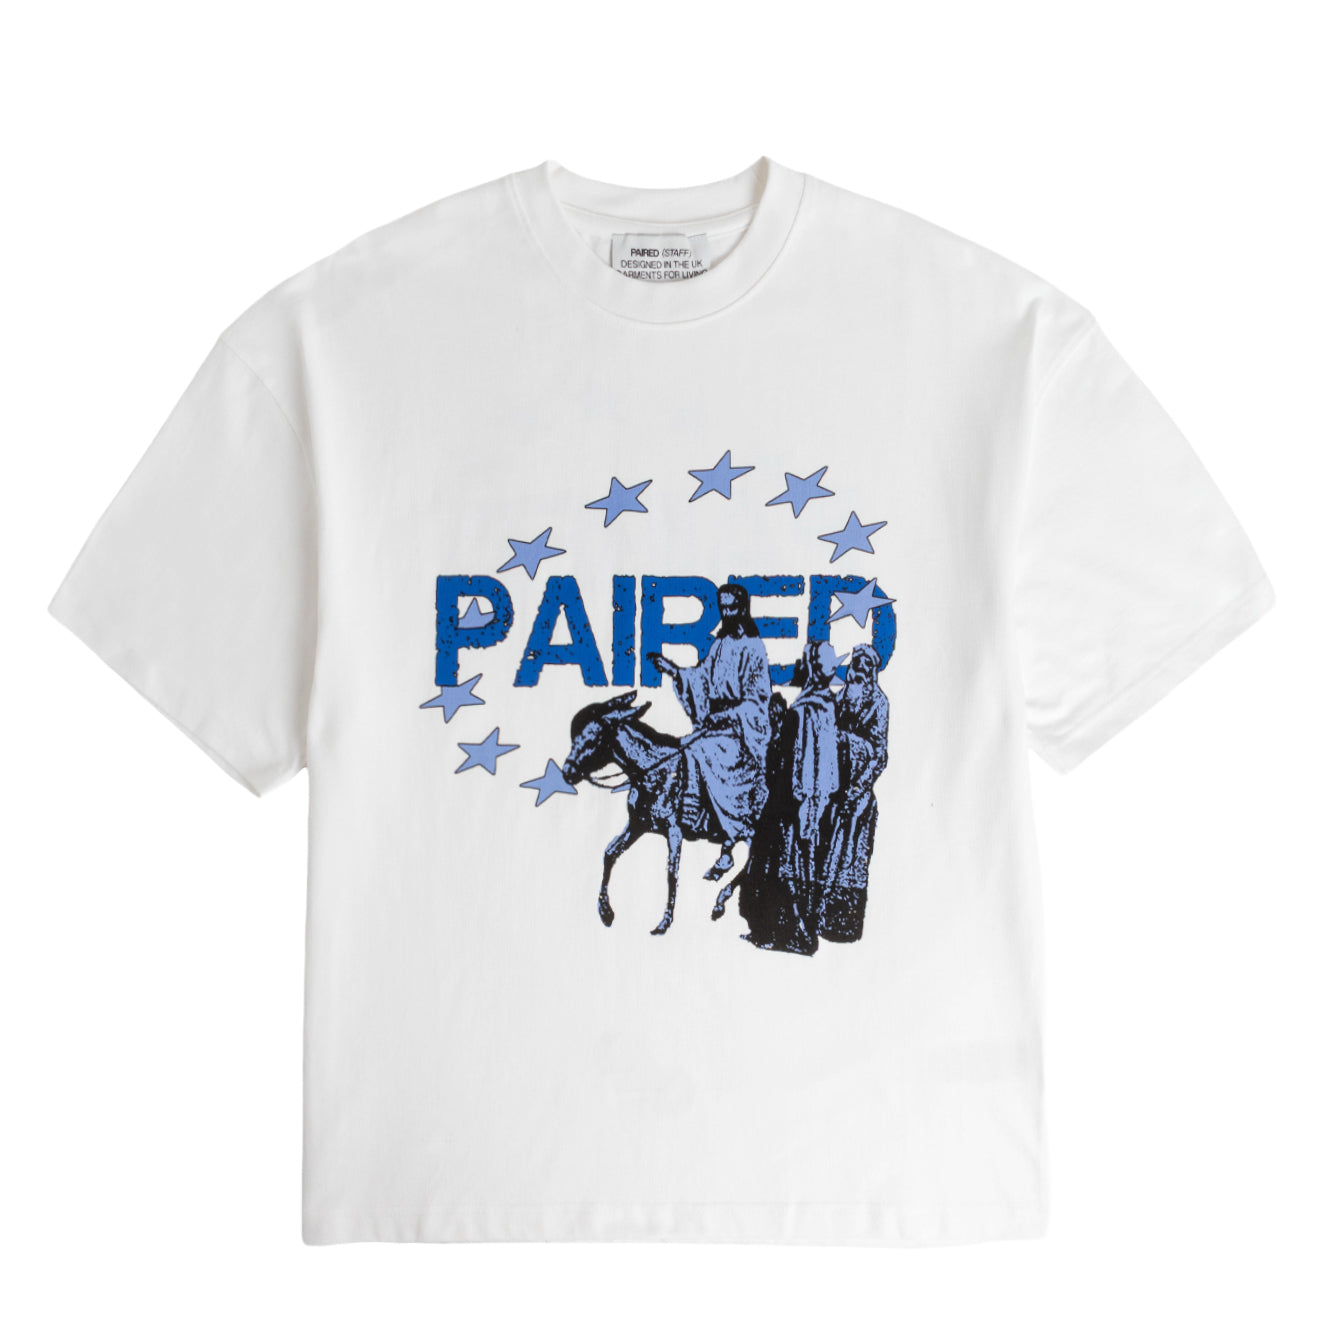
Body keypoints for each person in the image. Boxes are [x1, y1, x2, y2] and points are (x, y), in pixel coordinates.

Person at [651, 582, 771, 879]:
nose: (727, 613)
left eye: (732, 608)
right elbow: (701, 678)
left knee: (698, 749)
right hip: (714, 725)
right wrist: (674, 670)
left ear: (742, 609)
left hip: (740, 732)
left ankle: (706, 821)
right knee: (683, 746)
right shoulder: (720, 644)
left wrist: (728, 716)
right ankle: (700, 815)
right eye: (723, 608)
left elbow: (757, 701)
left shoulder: (754, 648)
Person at [819, 644, 889, 942]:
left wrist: (858, 786)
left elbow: (880, 755)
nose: (858, 671)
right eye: (855, 665)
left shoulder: (879, 704)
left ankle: (842, 924)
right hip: (833, 789)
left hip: (857, 795)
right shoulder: (841, 698)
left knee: (849, 859)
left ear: (871, 673)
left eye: (864, 667)